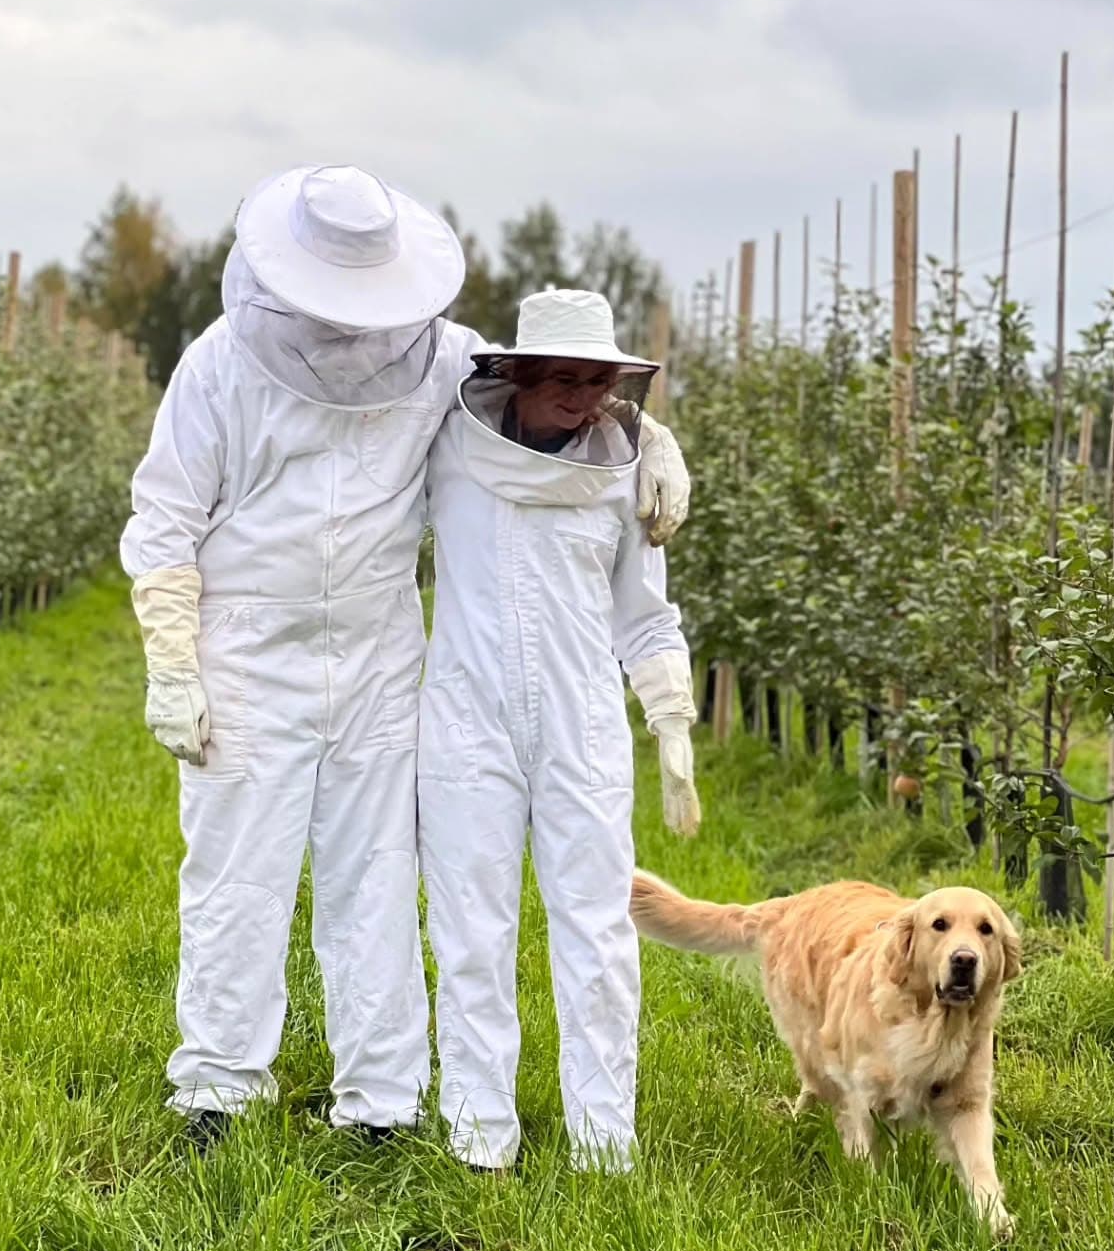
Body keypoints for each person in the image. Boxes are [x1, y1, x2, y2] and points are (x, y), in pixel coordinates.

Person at [119, 167, 692, 1149]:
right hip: (249, 646)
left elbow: (554, 398)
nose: (347, 330)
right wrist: (172, 658)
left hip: (381, 646)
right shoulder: (221, 363)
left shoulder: (436, 354)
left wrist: (653, 440)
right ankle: (217, 1090)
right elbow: (166, 516)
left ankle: (380, 1101)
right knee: (237, 876)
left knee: (375, 876)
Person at [418, 287, 701, 1174]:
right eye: (568, 382)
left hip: (583, 724)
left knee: (597, 932)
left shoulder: (622, 472)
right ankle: (478, 1136)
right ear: (519, 374)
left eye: (603, 384)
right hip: (467, 717)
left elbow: (645, 616)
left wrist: (672, 719)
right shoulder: (451, 452)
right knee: (471, 927)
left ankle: (605, 1144)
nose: (589, 402)